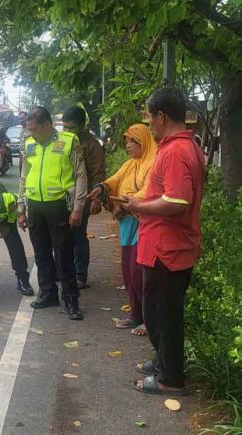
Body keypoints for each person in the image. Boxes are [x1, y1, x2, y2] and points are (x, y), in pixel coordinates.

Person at [124, 87, 205, 396]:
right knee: (161, 311)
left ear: (161, 116)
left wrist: (139, 207)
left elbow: (178, 202)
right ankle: (163, 363)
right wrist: (138, 200)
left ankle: (170, 378)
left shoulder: (175, 152)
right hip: (166, 246)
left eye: (149, 116)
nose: (148, 124)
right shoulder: (185, 147)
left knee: (162, 315)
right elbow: (166, 195)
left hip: (167, 250)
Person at [17, 107, 87, 320]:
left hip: (59, 206)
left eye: (35, 129)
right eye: (28, 129)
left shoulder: (68, 141)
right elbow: (23, 176)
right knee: (41, 253)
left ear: (48, 125)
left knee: (64, 255)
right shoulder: (29, 144)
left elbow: (80, 175)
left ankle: (71, 299)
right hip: (35, 206)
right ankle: (48, 293)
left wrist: (78, 208)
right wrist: (21, 208)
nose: (31, 134)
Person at [89, 124, 156, 337]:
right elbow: (115, 180)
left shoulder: (153, 163)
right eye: (127, 141)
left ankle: (148, 320)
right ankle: (136, 315)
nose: (128, 145)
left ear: (144, 141)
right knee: (128, 271)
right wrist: (102, 188)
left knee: (140, 273)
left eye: (132, 141)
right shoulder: (130, 164)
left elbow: (148, 191)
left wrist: (126, 203)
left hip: (141, 222)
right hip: (126, 223)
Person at [62, 106, 107, 289]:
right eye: (64, 128)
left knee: (79, 237)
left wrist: (96, 199)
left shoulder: (91, 145)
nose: (67, 131)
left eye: (71, 128)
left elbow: (98, 172)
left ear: (82, 126)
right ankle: (64, 272)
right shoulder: (61, 142)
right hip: (62, 197)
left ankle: (81, 276)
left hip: (83, 198)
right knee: (63, 238)